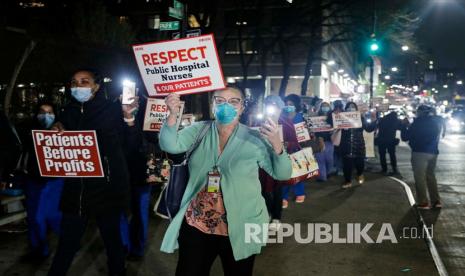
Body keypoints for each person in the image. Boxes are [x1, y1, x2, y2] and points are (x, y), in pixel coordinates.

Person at [159, 87, 292, 276]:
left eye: (233, 102)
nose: (226, 106)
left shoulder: (255, 138)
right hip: (198, 223)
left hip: (241, 224)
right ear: (213, 105)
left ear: (242, 108)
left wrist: (276, 143)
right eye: (219, 101)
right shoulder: (199, 130)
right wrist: (172, 115)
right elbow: (169, 144)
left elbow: (282, 173)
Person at [48, 69, 139, 276]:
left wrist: (129, 120)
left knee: (112, 241)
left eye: (84, 81)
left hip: (106, 189)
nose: (78, 86)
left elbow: (132, 145)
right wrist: (56, 131)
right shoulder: (67, 112)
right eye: (74, 82)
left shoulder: (113, 110)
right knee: (67, 243)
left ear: (96, 86)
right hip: (76, 190)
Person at [22, 103, 64, 260]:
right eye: (42, 112)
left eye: (50, 112)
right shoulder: (27, 130)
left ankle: (68, 241)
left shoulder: (62, 130)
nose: (46, 116)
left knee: (54, 215)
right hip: (33, 180)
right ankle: (38, 249)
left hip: (54, 181)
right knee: (35, 217)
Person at [401, 105, 442, 210]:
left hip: (419, 152)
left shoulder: (417, 123)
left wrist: (404, 126)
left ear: (419, 113)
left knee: (420, 178)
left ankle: (423, 202)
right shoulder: (434, 123)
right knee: (431, 176)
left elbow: (405, 137)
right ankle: (436, 201)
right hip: (433, 152)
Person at [337, 102, 376, 189]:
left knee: (360, 163)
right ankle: (348, 181)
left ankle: (360, 174)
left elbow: (369, 129)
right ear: (345, 108)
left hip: (358, 145)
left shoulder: (360, 117)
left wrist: (373, 120)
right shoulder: (341, 117)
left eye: (353, 107)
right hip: (346, 146)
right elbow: (333, 125)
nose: (351, 108)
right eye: (349, 107)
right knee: (347, 165)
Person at [281, 94, 306, 206]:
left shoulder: (302, 117)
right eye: (286, 104)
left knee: (298, 171)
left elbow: (307, 133)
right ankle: (283, 196)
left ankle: (300, 192)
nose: (288, 106)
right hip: (284, 148)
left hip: (298, 147)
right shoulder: (281, 117)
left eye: (291, 104)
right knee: (284, 172)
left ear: (296, 105)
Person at [376, 111, 402, 175]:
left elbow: (378, 126)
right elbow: (401, 127)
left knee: (382, 155)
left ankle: (384, 169)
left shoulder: (383, 119)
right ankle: (394, 169)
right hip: (391, 140)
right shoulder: (396, 121)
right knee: (392, 154)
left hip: (382, 140)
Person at [315, 102, 334, 181]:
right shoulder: (316, 117)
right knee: (320, 159)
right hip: (318, 140)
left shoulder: (333, 117)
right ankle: (322, 176)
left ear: (330, 108)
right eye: (323, 106)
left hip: (329, 141)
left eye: (327, 106)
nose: (325, 108)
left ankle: (329, 171)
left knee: (329, 159)